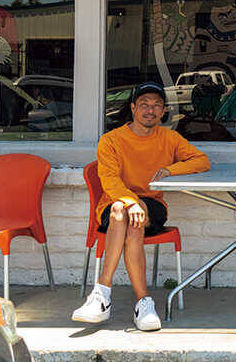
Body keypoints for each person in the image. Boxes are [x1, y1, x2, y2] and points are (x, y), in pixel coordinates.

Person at [72, 82, 210, 331]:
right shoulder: (111, 140)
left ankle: (102, 296)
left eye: (156, 105)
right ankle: (142, 303)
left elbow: (201, 161)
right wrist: (130, 202)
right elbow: (110, 180)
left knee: (129, 216)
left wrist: (170, 169)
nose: (150, 110)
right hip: (115, 203)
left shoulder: (169, 138)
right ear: (133, 108)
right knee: (122, 213)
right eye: (144, 104)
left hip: (153, 203)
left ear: (163, 111)